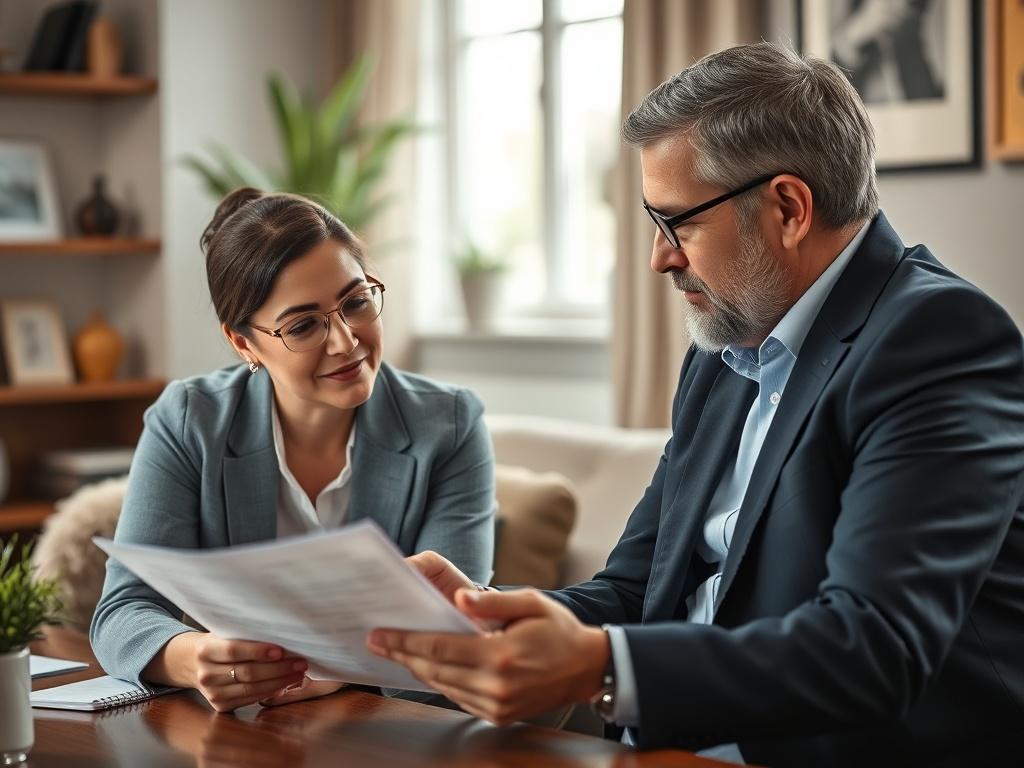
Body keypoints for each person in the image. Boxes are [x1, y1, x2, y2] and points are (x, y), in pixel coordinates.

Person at [365, 42, 1024, 766]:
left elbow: (873, 646)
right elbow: (637, 586)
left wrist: (598, 666)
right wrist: (484, 617)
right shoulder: (723, 350)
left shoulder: (937, 341)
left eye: (678, 222)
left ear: (788, 208)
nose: (660, 257)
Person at [91, 188, 496, 713]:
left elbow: (452, 625)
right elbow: (124, 610)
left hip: (390, 732)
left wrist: (325, 674)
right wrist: (199, 658)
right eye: (303, 325)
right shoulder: (191, 419)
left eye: (355, 302)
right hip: (239, 735)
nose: (345, 342)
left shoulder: (451, 423)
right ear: (243, 344)